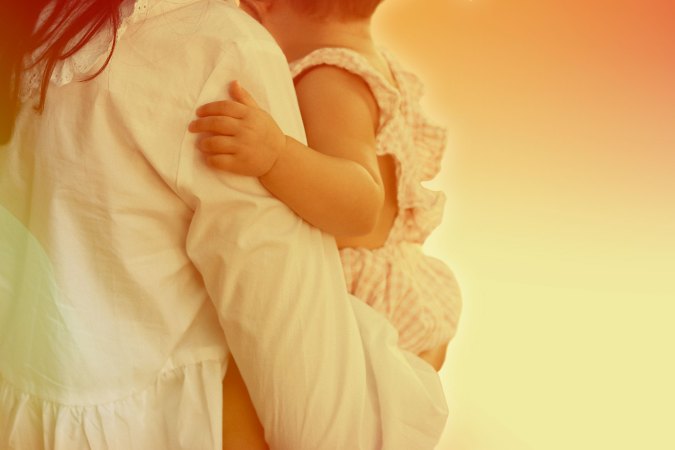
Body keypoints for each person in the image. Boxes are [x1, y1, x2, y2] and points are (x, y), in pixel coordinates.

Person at [0, 0, 448, 449]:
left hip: (361, 294)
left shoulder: (329, 76)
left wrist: (278, 155)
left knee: (246, 393)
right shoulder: (226, 47)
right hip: (345, 296)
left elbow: (361, 204)